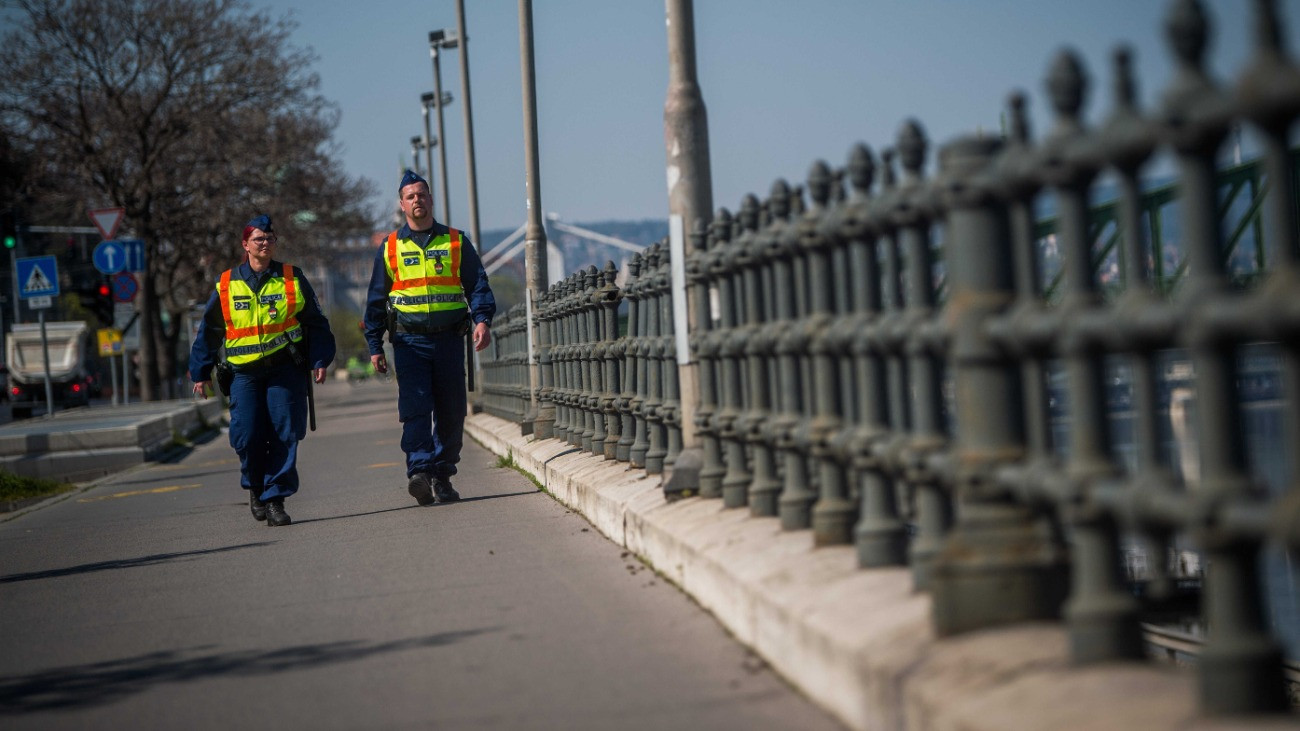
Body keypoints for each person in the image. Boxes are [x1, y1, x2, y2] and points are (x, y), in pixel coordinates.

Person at [189, 215, 336, 526]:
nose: (265, 243)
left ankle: (275, 499)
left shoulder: (291, 277)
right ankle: (256, 486)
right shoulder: (227, 283)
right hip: (244, 374)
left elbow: (315, 322)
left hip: (284, 369)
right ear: (246, 245)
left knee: (285, 432)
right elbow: (210, 330)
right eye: (259, 239)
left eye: (270, 238)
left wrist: (320, 359)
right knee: (247, 434)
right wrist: (200, 371)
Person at [364, 169, 495, 506]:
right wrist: (375, 345)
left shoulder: (455, 241)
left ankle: (442, 475)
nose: (417, 200)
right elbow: (376, 299)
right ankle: (420, 472)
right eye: (410, 196)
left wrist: (482, 320)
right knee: (416, 409)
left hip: (449, 341)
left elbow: (477, 284)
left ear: (431, 199)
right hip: (409, 343)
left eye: (421, 194)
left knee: (452, 412)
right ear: (402, 205)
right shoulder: (390, 247)